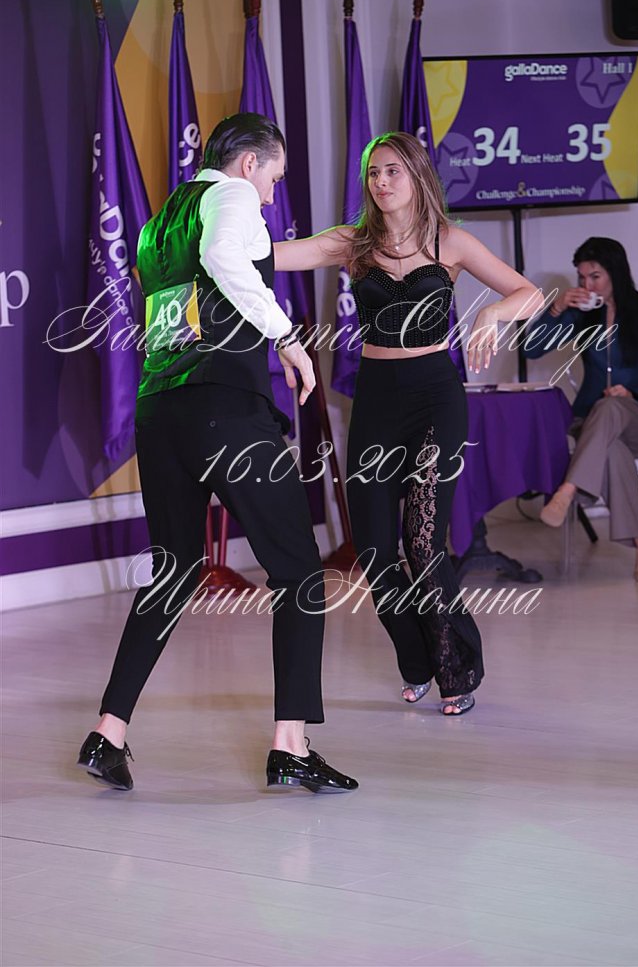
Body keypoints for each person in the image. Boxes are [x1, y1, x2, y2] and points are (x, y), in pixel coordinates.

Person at [77, 113, 358, 793]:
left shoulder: (160, 222)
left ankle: (108, 732)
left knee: (174, 572)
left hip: (161, 413)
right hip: (223, 412)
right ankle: (290, 746)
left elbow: (189, 304)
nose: (271, 196)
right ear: (249, 163)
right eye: (274, 179)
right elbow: (228, 261)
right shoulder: (231, 195)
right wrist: (288, 338)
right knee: (298, 570)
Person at [274, 132, 543, 715]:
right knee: (373, 551)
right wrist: (214, 228)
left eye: (392, 170)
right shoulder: (353, 243)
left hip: (434, 398)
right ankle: (415, 659)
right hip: (375, 401)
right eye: (373, 173)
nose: (381, 181)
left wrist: (494, 314)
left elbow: (530, 294)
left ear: (417, 175)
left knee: (422, 545)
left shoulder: (451, 241)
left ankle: (455, 668)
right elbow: (275, 255)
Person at [526, 237, 638, 582]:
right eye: (581, 277)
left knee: (613, 405)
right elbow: (530, 348)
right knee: (612, 449)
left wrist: (634, 392)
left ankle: (567, 491)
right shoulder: (581, 314)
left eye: (595, 276)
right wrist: (557, 307)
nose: (587, 285)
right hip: (591, 424)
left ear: (615, 273)